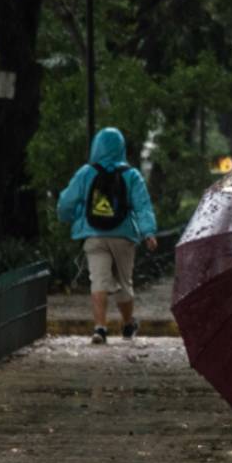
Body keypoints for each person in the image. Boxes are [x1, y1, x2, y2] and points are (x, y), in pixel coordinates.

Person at [57, 127, 158, 344]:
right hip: (123, 235)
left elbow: (66, 202)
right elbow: (142, 206)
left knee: (98, 280)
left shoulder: (86, 173)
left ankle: (100, 328)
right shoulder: (131, 175)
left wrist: (68, 217)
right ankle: (128, 324)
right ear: (121, 148)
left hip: (94, 234)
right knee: (124, 282)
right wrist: (148, 232)